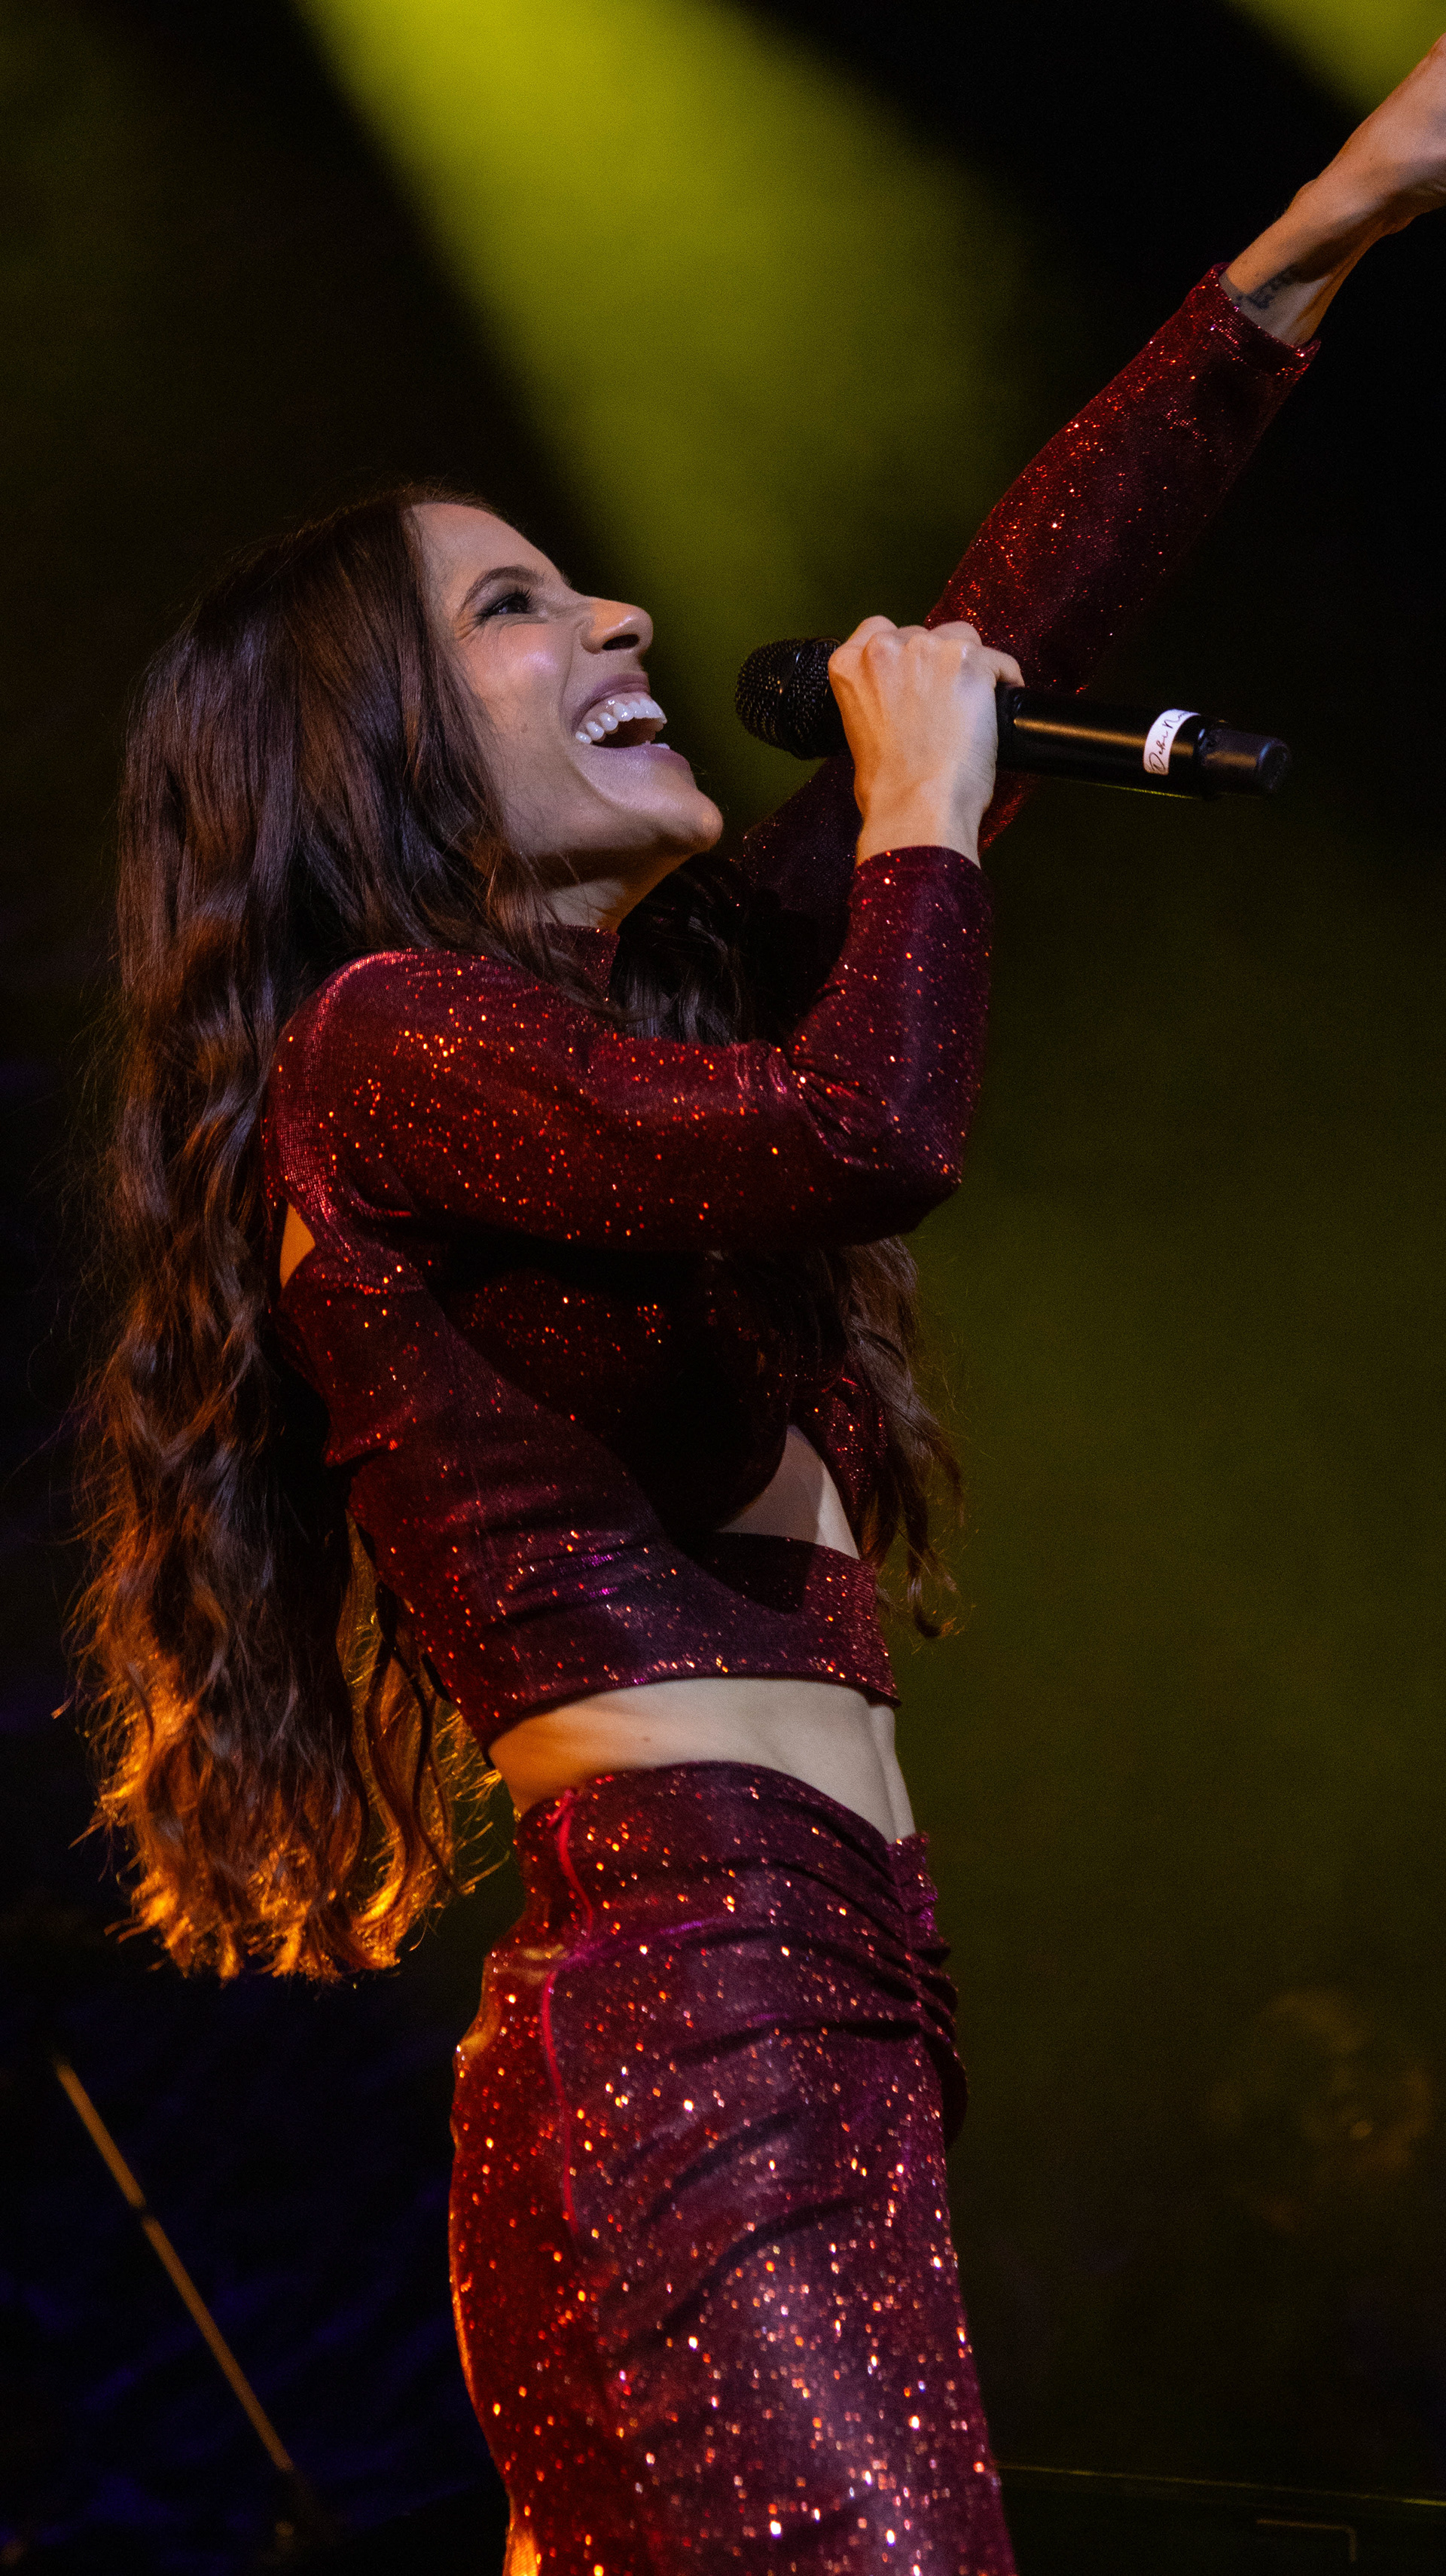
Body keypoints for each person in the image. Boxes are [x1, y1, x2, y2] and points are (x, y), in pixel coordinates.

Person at [81, 40, 1446, 2576]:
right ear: (368, 755)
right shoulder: (377, 1050)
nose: (618, 609)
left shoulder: (604, 1055)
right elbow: (870, 1129)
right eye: (512, 608)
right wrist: (923, 816)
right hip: (691, 2048)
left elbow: (1011, 625)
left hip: (817, 2034)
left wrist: (1327, 227)